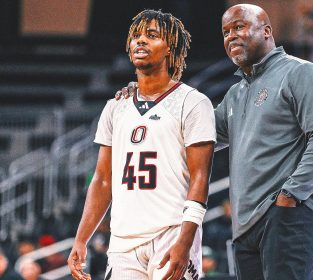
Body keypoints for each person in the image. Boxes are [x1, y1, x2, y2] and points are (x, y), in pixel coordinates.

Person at [116, 4, 313, 280]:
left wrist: (291, 195)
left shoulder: (301, 73)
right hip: (246, 225)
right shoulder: (236, 93)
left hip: (293, 217)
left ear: (267, 31)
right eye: (225, 32)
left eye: (239, 27)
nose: (231, 36)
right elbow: (192, 132)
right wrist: (148, 95)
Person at [68, 9, 216, 280]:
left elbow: (200, 177)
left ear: (170, 47)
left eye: (151, 35)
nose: (140, 41)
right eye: (136, 36)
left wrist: (186, 241)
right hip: (123, 241)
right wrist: (81, 238)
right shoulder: (115, 106)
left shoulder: (193, 102)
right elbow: (102, 179)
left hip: (171, 233)